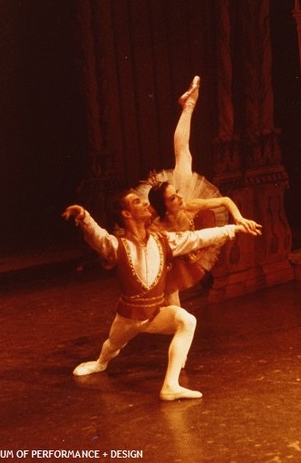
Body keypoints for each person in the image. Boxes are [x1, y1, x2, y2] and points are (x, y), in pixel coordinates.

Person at [62, 189, 256, 401]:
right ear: (126, 214)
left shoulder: (163, 241)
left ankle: (170, 385)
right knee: (113, 345)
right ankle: (100, 362)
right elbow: (98, 237)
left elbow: (197, 238)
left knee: (186, 320)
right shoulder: (117, 246)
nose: (145, 204)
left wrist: (234, 228)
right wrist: (84, 217)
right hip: (129, 317)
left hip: (155, 314)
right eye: (137, 202)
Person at [141, 76, 262, 305]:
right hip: (166, 253)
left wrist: (238, 217)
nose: (180, 197)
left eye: (176, 193)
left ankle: (189, 105)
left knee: (183, 155)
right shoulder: (153, 222)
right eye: (173, 198)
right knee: (170, 290)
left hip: (184, 240)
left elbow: (225, 200)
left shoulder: (186, 203)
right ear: (163, 207)